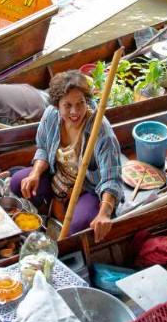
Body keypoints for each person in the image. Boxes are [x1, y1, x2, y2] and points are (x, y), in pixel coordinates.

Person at [11, 70, 123, 240]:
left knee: (77, 227)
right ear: (57, 105)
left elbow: (111, 179)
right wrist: (35, 174)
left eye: (80, 103)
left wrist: (104, 214)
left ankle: (70, 210)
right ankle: (52, 204)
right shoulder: (51, 114)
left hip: (87, 189)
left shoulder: (101, 131)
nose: (75, 111)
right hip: (57, 179)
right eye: (67, 105)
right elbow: (42, 148)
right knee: (18, 182)